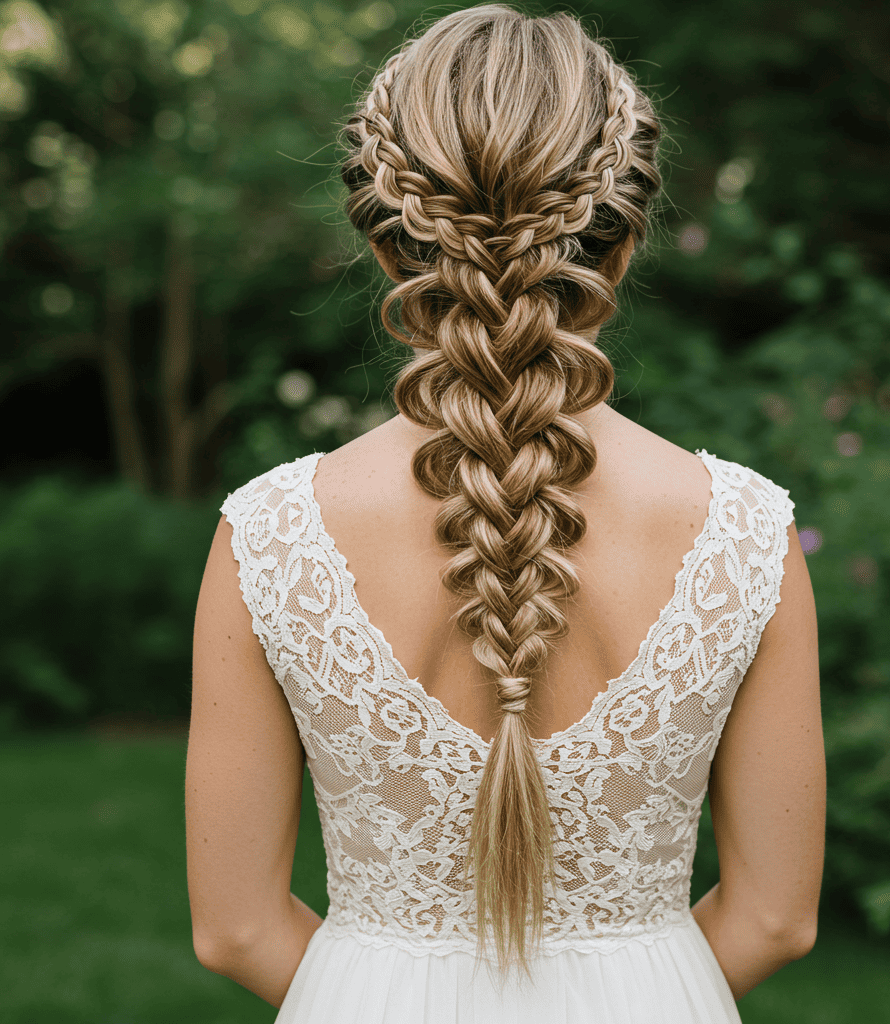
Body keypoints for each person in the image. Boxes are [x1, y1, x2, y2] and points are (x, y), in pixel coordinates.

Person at [185, 5, 826, 1022]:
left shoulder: (268, 533)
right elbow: (776, 918)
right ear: (617, 247)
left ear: (388, 245)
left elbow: (236, 928)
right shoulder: (744, 530)